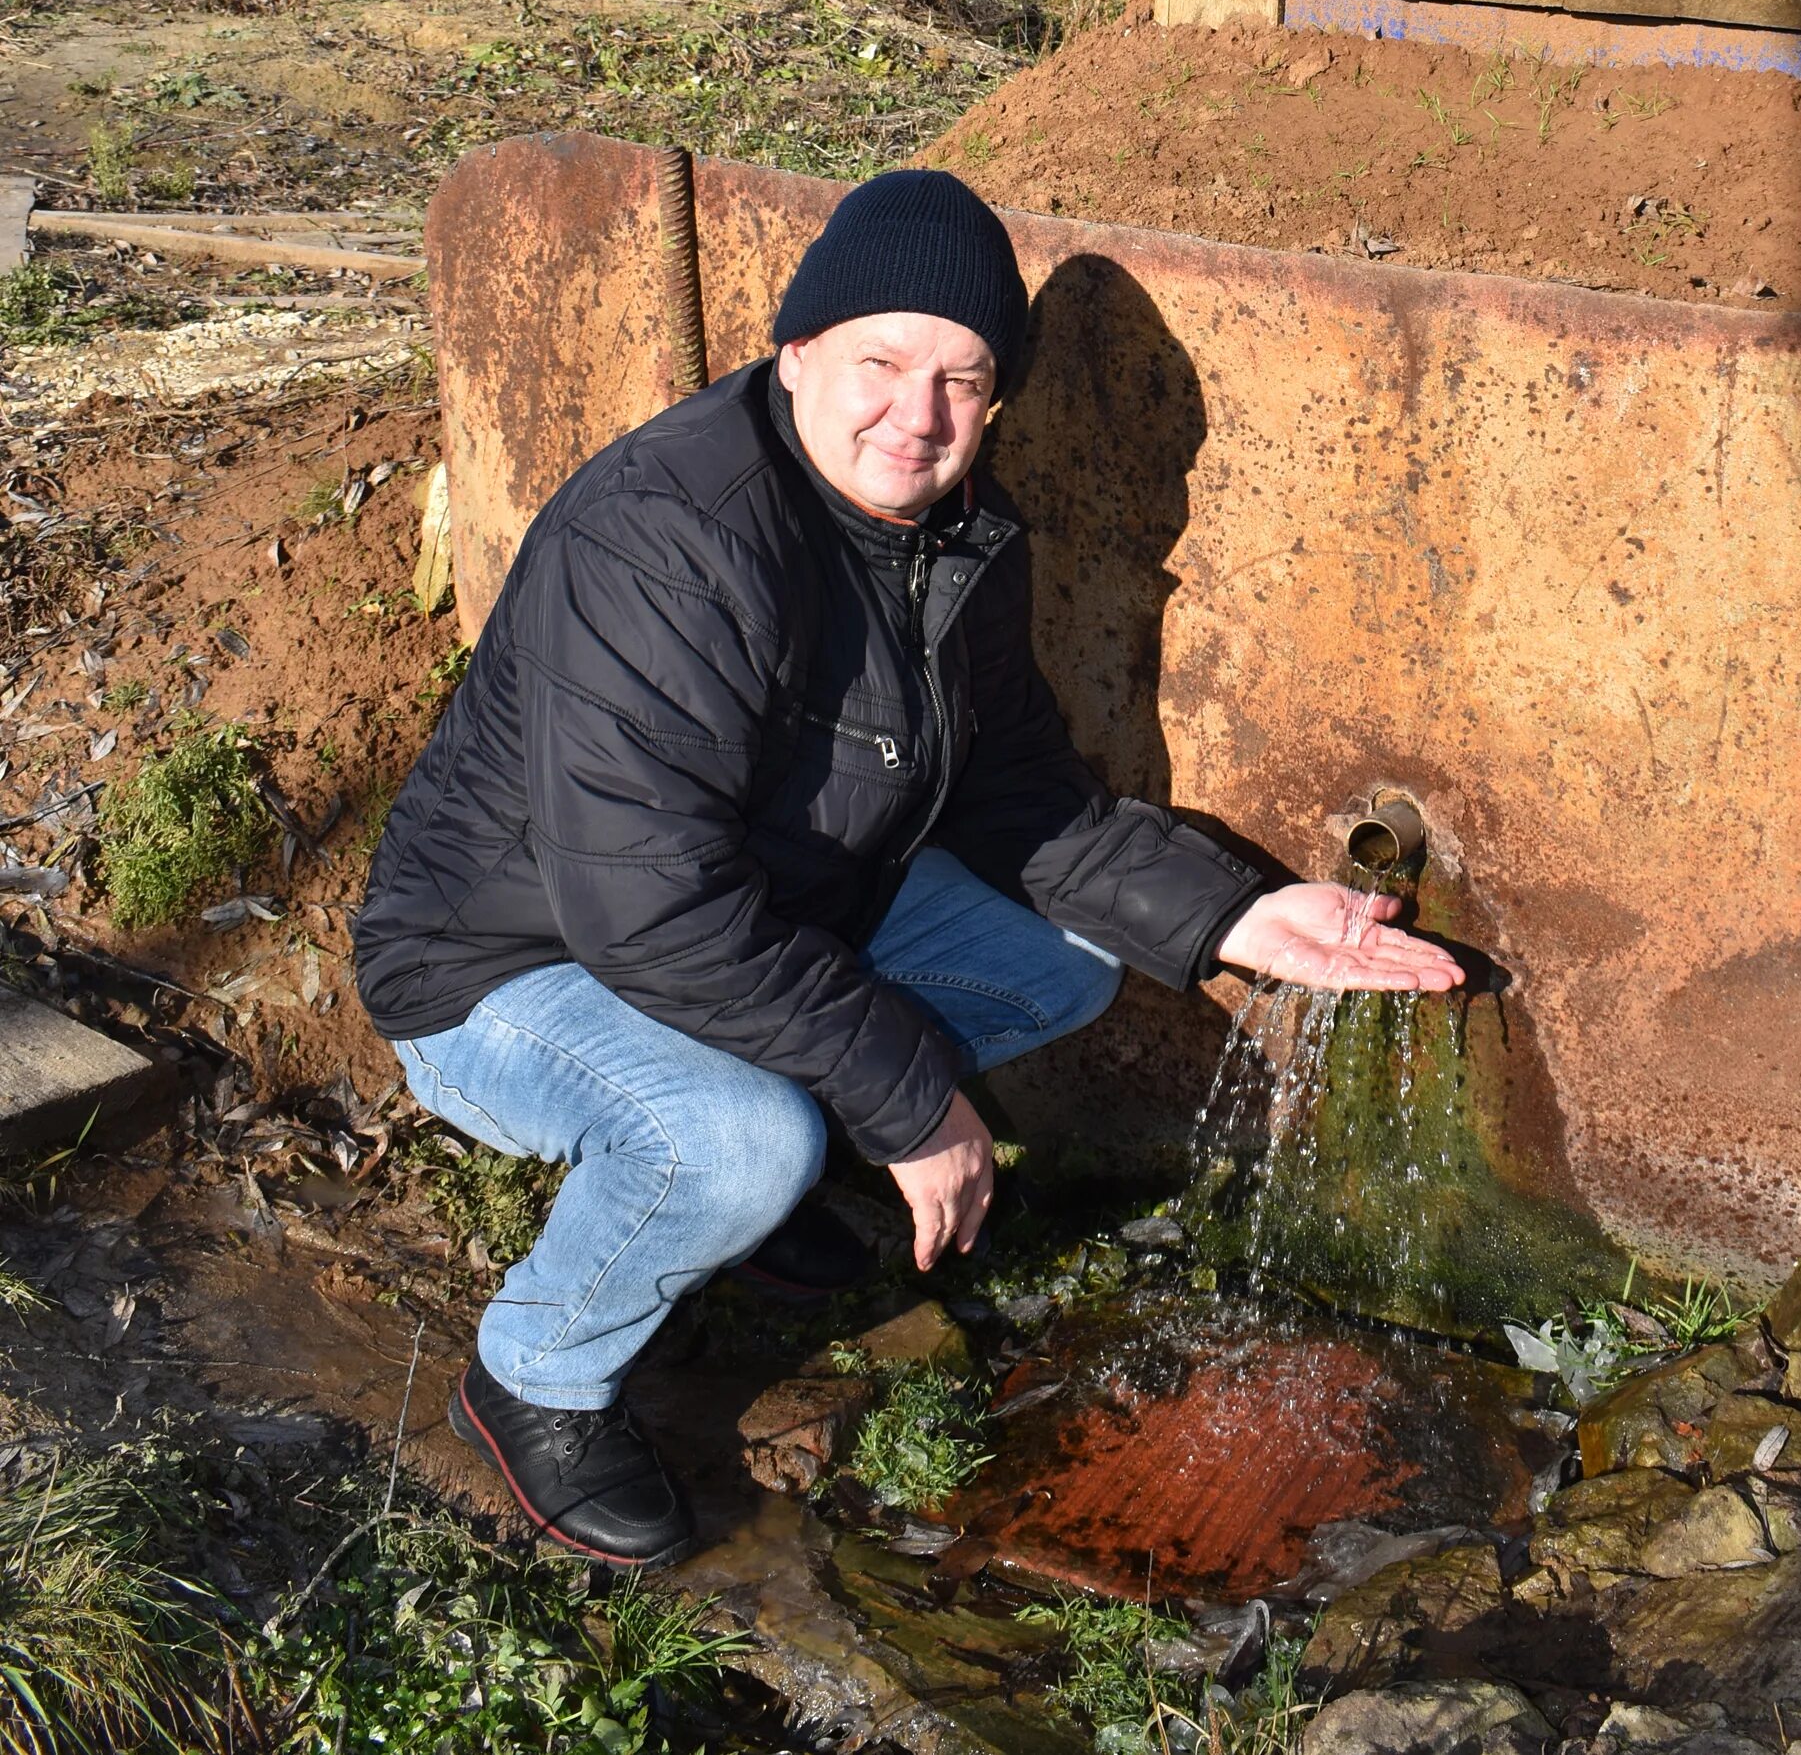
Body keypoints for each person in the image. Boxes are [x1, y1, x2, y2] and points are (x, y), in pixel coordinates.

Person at [351, 170, 1463, 1568]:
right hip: (506, 965)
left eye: (962, 377)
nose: (916, 415)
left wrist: (1240, 910)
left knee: (1055, 959)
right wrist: (906, 1095)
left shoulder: (951, 532)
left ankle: (767, 1181)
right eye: (879, 360)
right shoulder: (669, 538)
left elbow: (1018, 800)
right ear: (797, 351)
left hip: (740, 916)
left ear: (995, 401)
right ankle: (537, 1375)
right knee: (737, 1135)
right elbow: (643, 904)